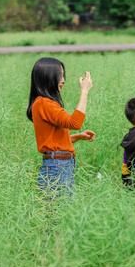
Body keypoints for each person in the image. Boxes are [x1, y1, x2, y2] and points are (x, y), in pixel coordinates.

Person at [26, 57, 95, 197]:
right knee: (60, 214)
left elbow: (52, 141)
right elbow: (75, 123)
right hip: (58, 167)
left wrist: (77, 137)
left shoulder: (43, 103)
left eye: (63, 75)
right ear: (48, 77)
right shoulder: (44, 103)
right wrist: (85, 91)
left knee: (58, 213)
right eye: (60, 75)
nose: (63, 80)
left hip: (59, 165)